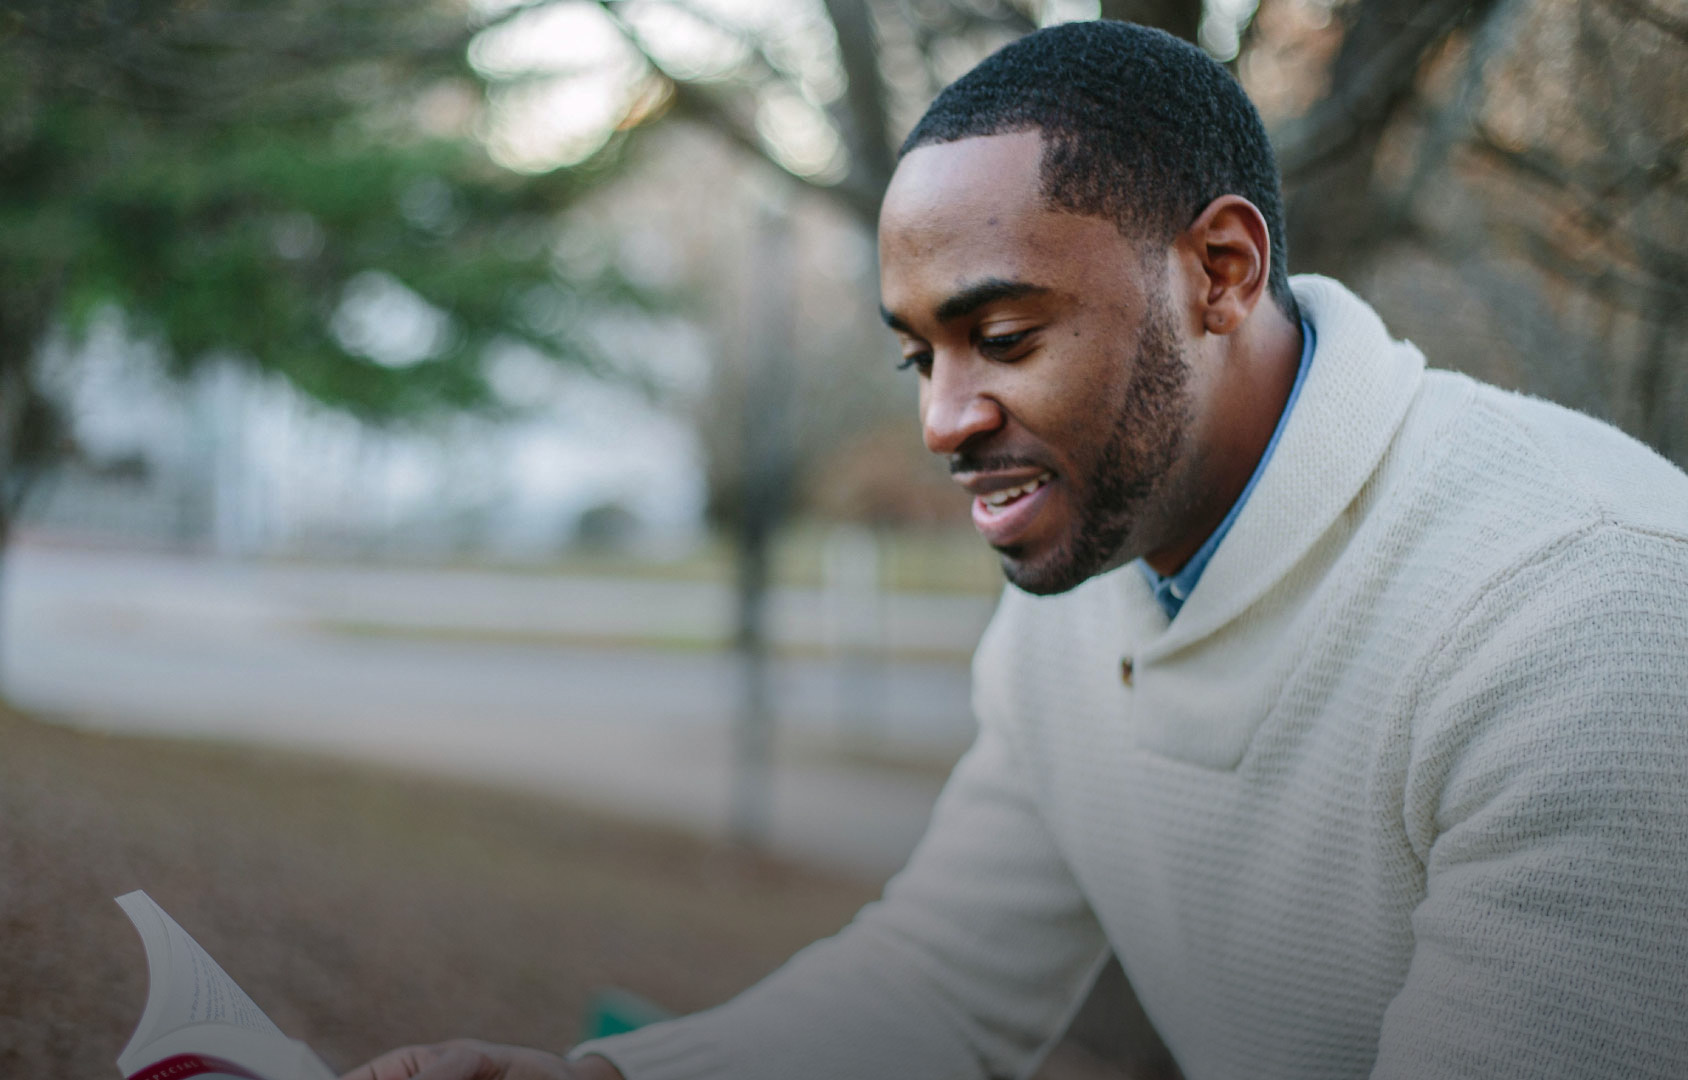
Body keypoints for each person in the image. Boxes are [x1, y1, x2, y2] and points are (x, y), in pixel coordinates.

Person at [345, 20, 1688, 1080]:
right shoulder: (1089, 576)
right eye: (919, 352)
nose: (942, 421)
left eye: (1003, 336)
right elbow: (942, 985)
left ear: (1219, 271)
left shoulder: (1584, 618)